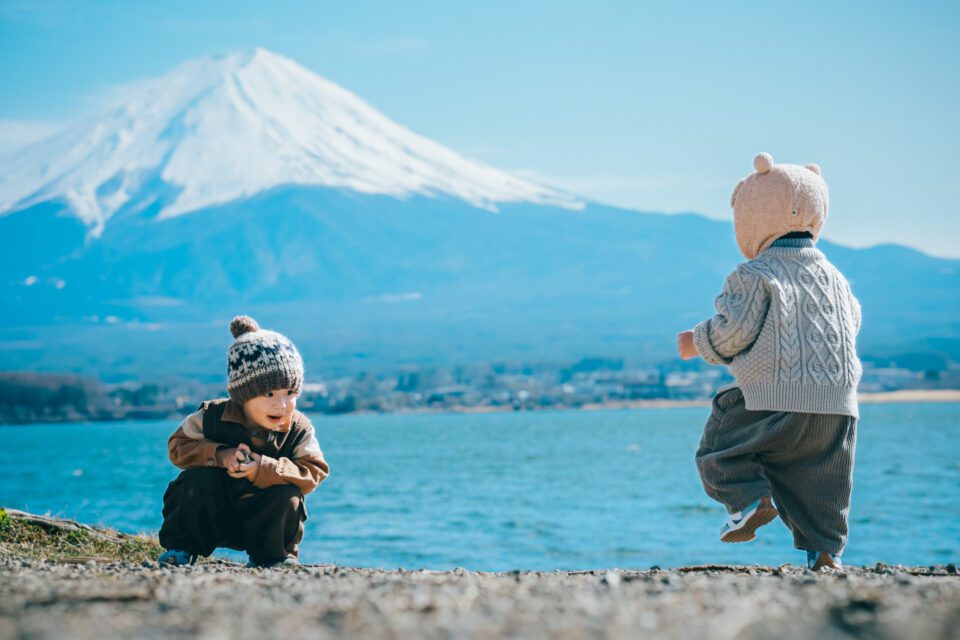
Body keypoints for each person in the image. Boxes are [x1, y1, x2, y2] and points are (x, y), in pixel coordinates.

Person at [677, 153, 862, 571]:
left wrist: (696, 341)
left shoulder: (755, 273)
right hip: (837, 404)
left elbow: (734, 332)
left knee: (721, 449)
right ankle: (826, 554)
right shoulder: (835, 277)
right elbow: (850, 321)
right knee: (823, 481)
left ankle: (750, 501)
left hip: (770, 396)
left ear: (752, 217)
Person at [158, 315, 330, 567]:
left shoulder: (298, 428)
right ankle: (181, 550)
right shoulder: (211, 416)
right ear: (243, 394)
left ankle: (272, 558)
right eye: (269, 394)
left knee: (288, 494)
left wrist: (266, 469)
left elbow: (315, 470)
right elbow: (178, 448)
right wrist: (219, 455)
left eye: (290, 393)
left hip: (266, 522)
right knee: (196, 479)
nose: (281, 404)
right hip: (211, 515)